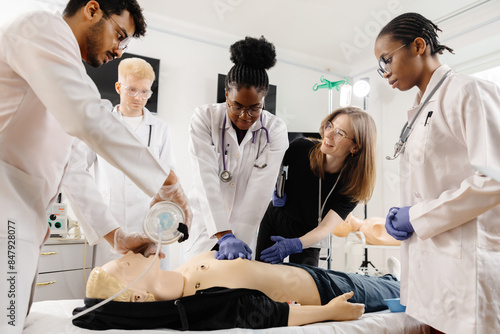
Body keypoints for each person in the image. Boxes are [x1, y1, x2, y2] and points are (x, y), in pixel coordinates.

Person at [0, 1, 190, 332]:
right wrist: (166, 181)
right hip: (7, 210)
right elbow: (86, 117)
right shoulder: (41, 28)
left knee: (13, 321)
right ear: (92, 10)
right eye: (120, 35)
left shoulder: (71, 76)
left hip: (22, 218)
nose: (119, 50)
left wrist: (115, 236)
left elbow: (71, 168)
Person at [375, 12, 500, 334]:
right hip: (432, 269)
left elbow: (494, 180)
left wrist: (416, 215)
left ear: (418, 46)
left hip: (467, 266)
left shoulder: (468, 92)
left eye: (386, 59)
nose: (384, 72)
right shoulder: (420, 110)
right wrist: (406, 213)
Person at [72, 250, 400, 330]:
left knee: (390, 280)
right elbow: (266, 314)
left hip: (307, 272)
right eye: (125, 265)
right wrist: (330, 312)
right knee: (401, 287)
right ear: (140, 297)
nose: (127, 256)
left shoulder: (181, 272)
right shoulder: (198, 303)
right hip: (329, 290)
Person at [183, 36, 288, 261]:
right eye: (237, 106)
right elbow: (205, 177)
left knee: (233, 284)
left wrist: (236, 241)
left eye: (254, 108)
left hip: (243, 233)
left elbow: (259, 192)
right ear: (226, 94)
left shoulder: (275, 130)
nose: (244, 116)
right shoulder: (205, 117)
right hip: (205, 229)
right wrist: (223, 234)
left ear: (264, 100)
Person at [86, 57, 177, 269]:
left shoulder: (160, 128)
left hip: (150, 223)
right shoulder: (101, 124)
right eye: (132, 90)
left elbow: (168, 176)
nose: (139, 97)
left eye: (145, 92)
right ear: (118, 87)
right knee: (110, 289)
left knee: (151, 292)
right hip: (112, 222)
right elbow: (78, 167)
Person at [256, 107, 377, 266]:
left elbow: (325, 228)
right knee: (261, 274)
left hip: (309, 235)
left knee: (303, 286)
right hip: (276, 218)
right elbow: (270, 169)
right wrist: (274, 189)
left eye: (339, 133)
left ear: (355, 147)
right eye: (330, 126)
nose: (328, 134)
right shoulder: (300, 148)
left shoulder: (352, 186)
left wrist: (296, 244)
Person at [333, 214, 401, 246]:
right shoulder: (366, 229)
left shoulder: (364, 228)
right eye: (353, 217)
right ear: (347, 222)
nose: (357, 216)